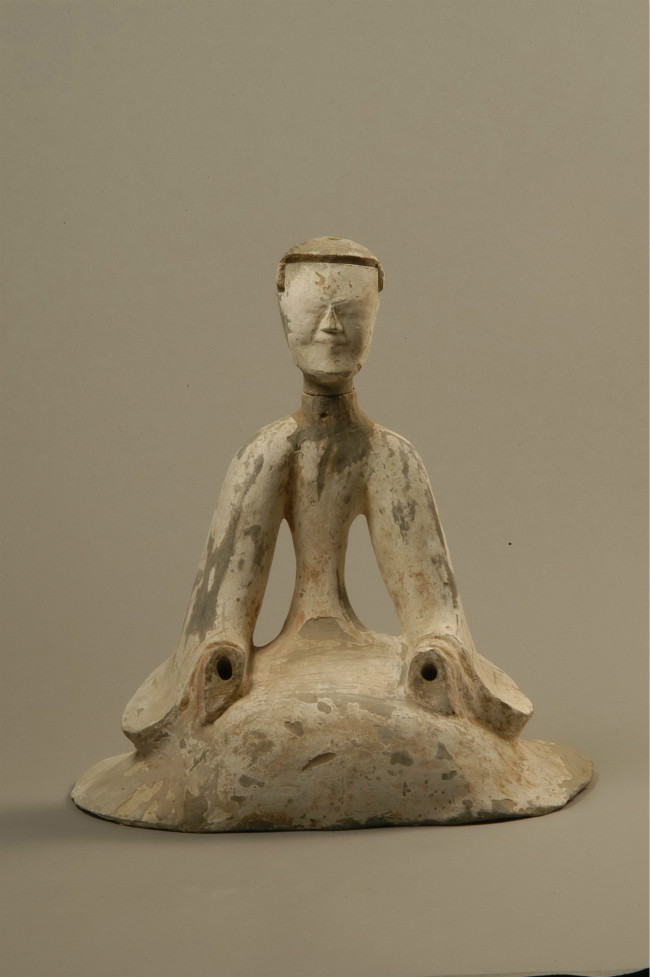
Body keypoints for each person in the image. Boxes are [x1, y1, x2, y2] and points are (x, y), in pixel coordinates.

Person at [122, 237, 531, 751]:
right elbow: (223, 608)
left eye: (351, 313)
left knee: (432, 737)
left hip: (370, 666)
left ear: (374, 320)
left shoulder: (389, 456)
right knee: (249, 741)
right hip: (283, 672)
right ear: (284, 313)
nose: (332, 326)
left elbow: (433, 608)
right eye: (316, 309)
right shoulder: (266, 453)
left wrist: (433, 654)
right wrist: (223, 656)